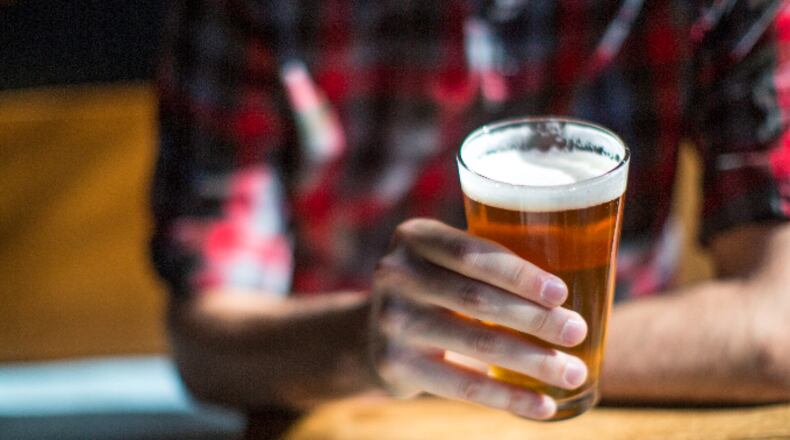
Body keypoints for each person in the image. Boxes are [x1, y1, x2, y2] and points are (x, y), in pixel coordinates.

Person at [152, 0, 790, 423]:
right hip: (350, 414)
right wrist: (367, 339)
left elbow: (777, 326)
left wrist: (488, 358)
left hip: (611, 422)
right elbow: (205, 342)